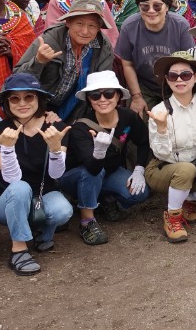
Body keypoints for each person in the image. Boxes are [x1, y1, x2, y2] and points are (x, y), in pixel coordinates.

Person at [0, 75, 73, 275]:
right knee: (20, 188)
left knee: (63, 210)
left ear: (39, 99)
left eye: (29, 97)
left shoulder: (56, 128)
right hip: (7, 200)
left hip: (44, 194)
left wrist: (55, 149)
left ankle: (43, 234)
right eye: (15, 98)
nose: (22, 103)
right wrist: (7, 149)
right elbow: (12, 179)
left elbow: (56, 173)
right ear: (7, 103)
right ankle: (19, 250)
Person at [59, 71, 150, 245]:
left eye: (108, 93)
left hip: (109, 172)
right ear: (89, 100)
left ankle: (104, 200)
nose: (102, 99)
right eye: (95, 95)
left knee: (139, 193)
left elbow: (144, 141)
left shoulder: (128, 116)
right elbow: (92, 169)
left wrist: (139, 169)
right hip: (78, 176)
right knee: (94, 173)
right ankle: (87, 222)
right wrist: (99, 151)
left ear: (118, 96)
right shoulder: (81, 127)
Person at [145, 51, 196, 243]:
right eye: (173, 76)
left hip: (195, 167)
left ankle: (185, 201)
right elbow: (161, 153)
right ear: (167, 80)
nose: (179, 80)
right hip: (162, 168)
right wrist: (162, 129)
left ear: (195, 77)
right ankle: (172, 218)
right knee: (185, 169)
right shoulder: (159, 110)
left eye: (186, 74)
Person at [14, 0, 116, 123]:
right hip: (36, 105)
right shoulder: (49, 40)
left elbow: (103, 84)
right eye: (79, 23)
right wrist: (38, 61)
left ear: (99, 28)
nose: (85, 31)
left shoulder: (103, 46)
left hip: (74, 109)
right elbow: (17, 79)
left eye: (92, 25)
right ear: (68, 22)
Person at [115, 0, 195, 113]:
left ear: (167, 7)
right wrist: (136, 97)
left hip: (176, 82)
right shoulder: (129, 27)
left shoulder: (180, 25)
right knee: (139, 117)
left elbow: (188, 62)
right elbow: (127, 64)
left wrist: (181, 93)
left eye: (157, 6)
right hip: (144, 85)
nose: (151, 11)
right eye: (145, 6)